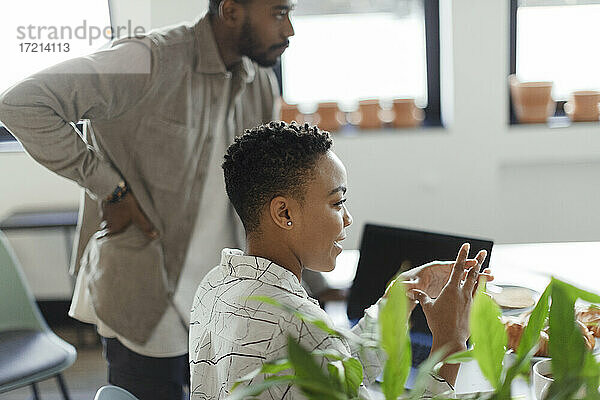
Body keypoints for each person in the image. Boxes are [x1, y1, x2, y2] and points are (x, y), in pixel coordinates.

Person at [0, 1, 315, 399]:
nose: (289, 30)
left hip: (223, 299)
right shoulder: (145, 59)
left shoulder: (260, 82)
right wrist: (109, 188)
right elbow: (21, 104)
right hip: (146, 296)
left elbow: (265, 195)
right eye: (278, 13)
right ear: (232, 11)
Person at [189, 121, 490, 399]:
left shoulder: (214, 287)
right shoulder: (297, 325)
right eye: (337, 202)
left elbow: (335, 366)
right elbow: (323, 351)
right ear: (284, 213)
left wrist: (402, 293)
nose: (348, 218)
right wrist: (450, 343)